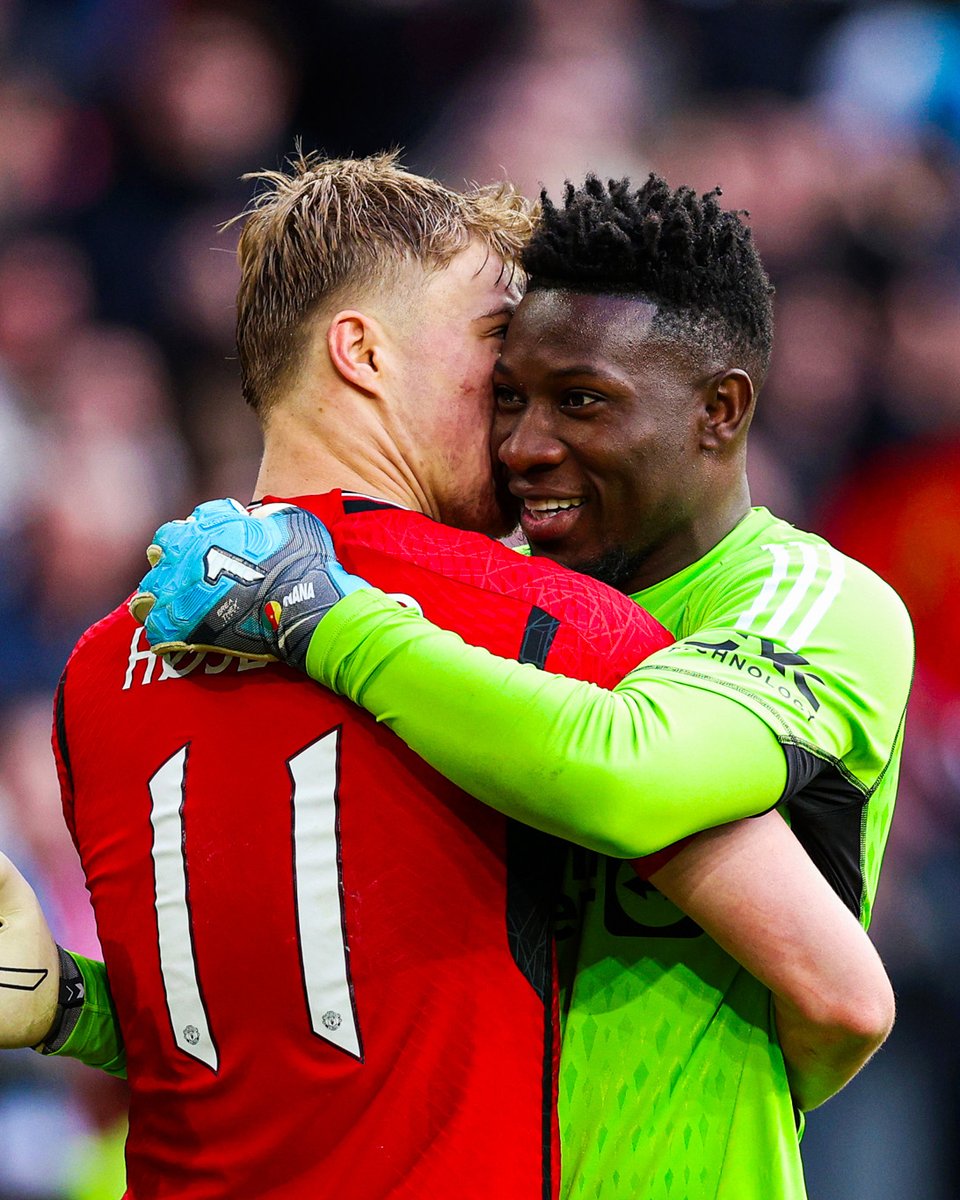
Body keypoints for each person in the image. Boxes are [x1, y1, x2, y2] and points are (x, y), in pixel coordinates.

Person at [7, 162, 894, 1197]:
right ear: (363, 351)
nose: (522, 429)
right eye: (494, 348)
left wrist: (72, 1006)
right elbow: (841, 993)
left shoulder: (101, 669)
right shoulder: (546, 623)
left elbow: (262, 1027)